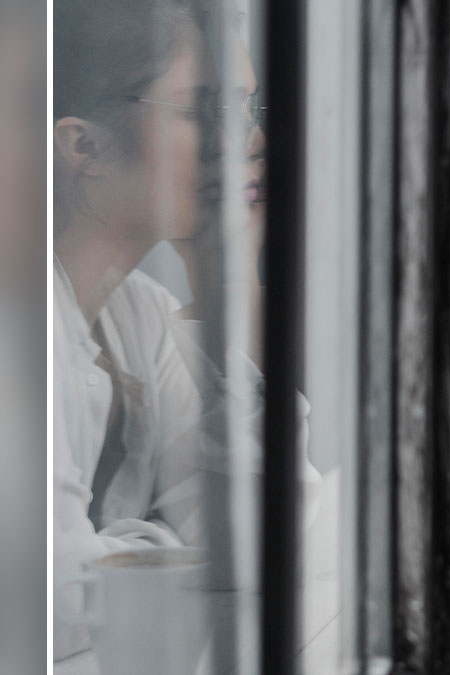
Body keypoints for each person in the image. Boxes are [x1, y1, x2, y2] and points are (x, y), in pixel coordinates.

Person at [52, 0, 316, 659]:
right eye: (210, 111)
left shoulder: (136, 311)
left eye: (249, 110)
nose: (253, 142)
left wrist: (224, 278)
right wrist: (176, 547)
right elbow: (47, 597)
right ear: (84, 144)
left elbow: (271, 537)